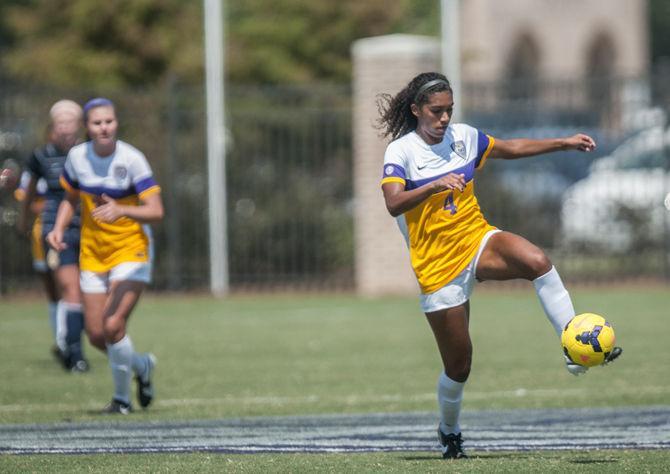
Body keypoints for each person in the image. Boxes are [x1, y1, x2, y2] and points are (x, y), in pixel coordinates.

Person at [377, 72, 622, 459]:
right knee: (459, 367)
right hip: (438, 266)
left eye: (448, 110)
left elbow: (512, 147)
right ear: (416, 110)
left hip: (477, 240)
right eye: (436, 111)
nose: (444, 118)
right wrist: (431, 187)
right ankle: (449, 429)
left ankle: (572, 344)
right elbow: (393, 203)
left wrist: (564, 141)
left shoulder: (464, 137)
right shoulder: (401, 151)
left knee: (537, 261)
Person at [47, 97, 162, 414]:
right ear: (88, 127)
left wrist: (121, 208)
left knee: (113, 324)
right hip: (93, 253)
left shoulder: (132, 159)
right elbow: (70, 196)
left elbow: (156, 210)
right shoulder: (77, 158)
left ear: (116, 123)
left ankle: (122, 401)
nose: (104, 127)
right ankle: (141, 366)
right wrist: (58, 228)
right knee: (97, 334)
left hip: (131, 250)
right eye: (97, 123)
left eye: (109, 121)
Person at [18, 101, 88, 372]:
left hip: (91, 230)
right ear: (53, 126)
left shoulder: (89, 153)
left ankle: (73, 343)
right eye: (61, 122)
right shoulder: (40, 157)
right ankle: (75, 353)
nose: (66, 128)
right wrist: (24, 221)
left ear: (79, 125)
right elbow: (29, 194)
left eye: (71, 122)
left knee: (88, 292)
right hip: (56, 231)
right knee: (69, 289)